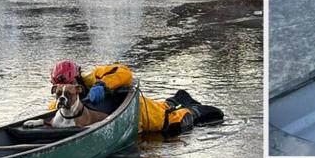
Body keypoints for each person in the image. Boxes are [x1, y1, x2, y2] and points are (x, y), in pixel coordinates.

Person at [47, 60, 223, 135]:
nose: (66, 90)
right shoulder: (61, 104)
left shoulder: (94, 77)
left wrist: (102, 85)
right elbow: (54, 114)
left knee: (176, 121)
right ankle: (176, 99)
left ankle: (191, 107)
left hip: (144, 114)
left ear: (77, 79)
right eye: (61, 89)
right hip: (122, 118)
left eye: (70, 85)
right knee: (167, 105)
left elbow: (124, 72)